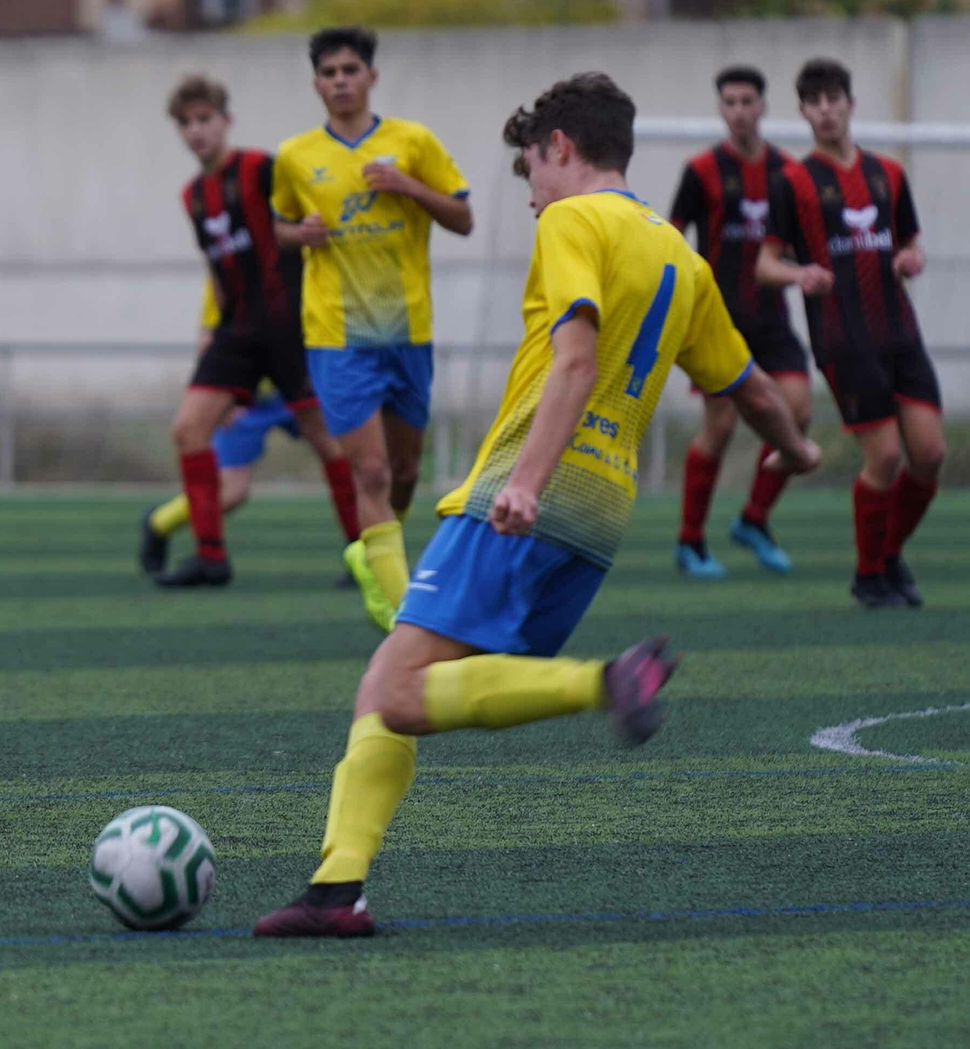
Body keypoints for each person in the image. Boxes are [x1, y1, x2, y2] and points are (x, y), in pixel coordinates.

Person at [253, 72, 820, 938]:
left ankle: (606, 681)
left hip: (523, 493)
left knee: (395, 690)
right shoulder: (682, 255)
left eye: (530, 171)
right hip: (597, 523)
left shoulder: (573, 221)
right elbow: (746, 385)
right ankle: (338, 889)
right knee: (396, 684)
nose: (529, 197)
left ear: (561, 147)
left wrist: (523, 482)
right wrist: (799, 446)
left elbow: (576, 360)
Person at [270, 26, 473, 631]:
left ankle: (372, 551)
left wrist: (407, 186)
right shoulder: (295, 156)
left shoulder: (413, 143)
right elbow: (276, 226)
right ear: (316, 84)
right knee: (374, 472)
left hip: (408, 331)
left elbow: (463, 217)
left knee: (407, 472)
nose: (340, 81)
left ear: (371, 77)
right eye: (329, 72)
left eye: (350, 70)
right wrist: (296, 235)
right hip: (336, 336)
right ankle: (407, 617)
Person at [146, 74, 359, 588]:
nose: (196, 131)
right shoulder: (193, 195)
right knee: (188, 428)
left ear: (226, 121)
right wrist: (211, 334)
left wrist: (309, 233)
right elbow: (219, 271)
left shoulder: (261, 168)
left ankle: (365, 553)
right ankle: (211, 558)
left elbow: (299, 222)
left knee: (327, 440)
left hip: (289, 329)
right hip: (236, 332)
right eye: (186, 123)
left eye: (204, 119)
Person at [759, 57, 944, 609]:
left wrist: (911, 259)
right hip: (843, 337)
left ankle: (888, 556)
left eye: (833, 98)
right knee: (884, 457)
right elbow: (767, 264)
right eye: (814, 102)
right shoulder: (792, 181)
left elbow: (913, 244)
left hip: (900, 333)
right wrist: (799, 273)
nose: (826, 109)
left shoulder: (887, 173)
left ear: (850, 104)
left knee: (929, 455)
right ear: (803, 112)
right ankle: (869, 577)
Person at [669, 66, 810, 577]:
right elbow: (670, 236)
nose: (739, 111)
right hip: (717, 320)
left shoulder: (788, 173)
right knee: (721, 426)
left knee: (796, 415)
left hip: (772, 319)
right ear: (720, 108)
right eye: (729, 102)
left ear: (763, 107)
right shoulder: (702, 170)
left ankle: (753, 519)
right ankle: (690, 541)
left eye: (747, 101)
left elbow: (804, 238)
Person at [142, 279, 358, 587]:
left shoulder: (300, 257)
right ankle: (158, 524)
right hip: (249, 398)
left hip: (297, 385)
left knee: (346, 456)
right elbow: (211, 335)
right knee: (231, 492)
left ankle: (363, 555)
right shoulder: (232, 265)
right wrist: (224, 398)